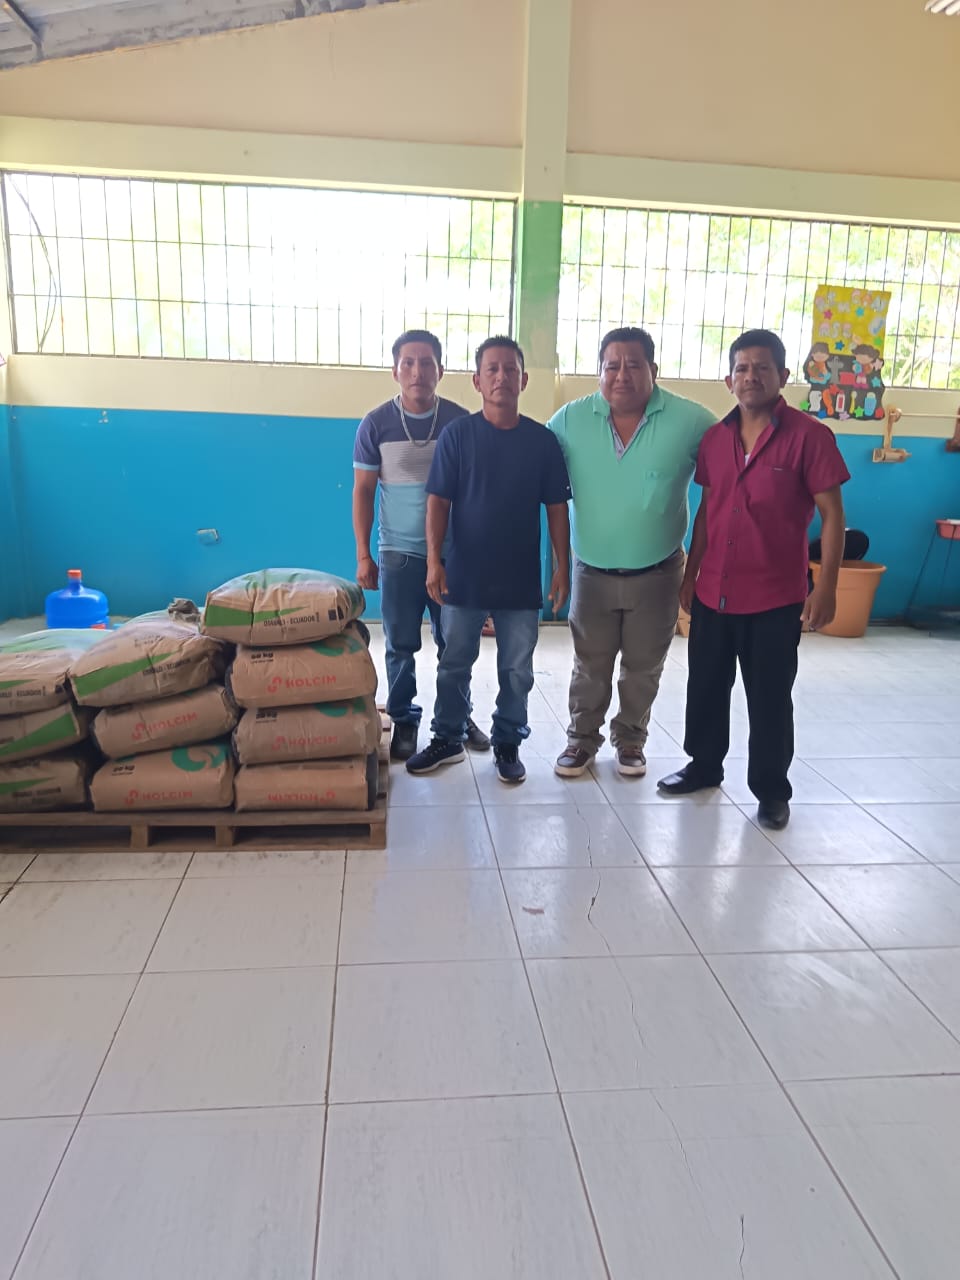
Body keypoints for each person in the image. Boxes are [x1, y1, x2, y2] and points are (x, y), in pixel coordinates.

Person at [658, 329, 850, 830]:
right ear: (729, 379)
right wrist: (691, 573)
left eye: (762, 368)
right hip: (714, 592)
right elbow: (707, 511)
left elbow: (832, 515)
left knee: (769, 699)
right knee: (705, 687)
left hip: (774, 598)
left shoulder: (810, 437)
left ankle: (771, 790)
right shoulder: (714, 440)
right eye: (741, 368)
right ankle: (703, 766)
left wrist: (826, 587)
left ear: (782, 376)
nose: (751, 377)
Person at [548, 327, 717, 778]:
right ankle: (581, 740)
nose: (622, 374)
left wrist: (698, 570)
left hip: (659, 572)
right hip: (591, 571)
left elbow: (725, 479)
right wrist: (559, 564)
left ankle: (630, 740)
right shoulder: (569, 420)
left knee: (644, 666)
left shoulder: (692, 421)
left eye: (633, 365)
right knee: (590, 664)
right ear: (599, 372)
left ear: (653, 370)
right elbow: (541, 482)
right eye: (612, 365)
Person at [405, 336, 571, 785]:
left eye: (510, 369)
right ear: (477, 381)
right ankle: (447, 737)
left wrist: (562, 566)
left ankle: (508, 741)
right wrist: (434, 561)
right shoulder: (458, 436)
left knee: (516, 669)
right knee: (454, 662)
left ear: (524, 379)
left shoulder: (542, 442)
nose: (502, 377)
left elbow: (557, 507)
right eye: (492, 370)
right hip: (464, 576)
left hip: (519, 581)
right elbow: (438, 502)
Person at [352, 329, 490, 761]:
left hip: (454, 558)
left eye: (426, 362)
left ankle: (457, 717)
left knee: (457, 645)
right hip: (398, 554)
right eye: (408, 363)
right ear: (395, 370)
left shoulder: (461, 422)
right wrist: (364, 555)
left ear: (440, 370)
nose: (417, 371)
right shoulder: (375, 424)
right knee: (400, 644)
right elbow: (363, 491)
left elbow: (476, 493)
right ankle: (404, 718)